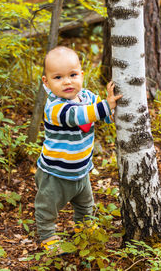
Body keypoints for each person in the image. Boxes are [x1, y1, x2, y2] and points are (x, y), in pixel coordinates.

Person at [34, 46, 122, 251]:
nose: (67, 81)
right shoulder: (55, 107)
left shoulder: (87, 97)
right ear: (46, 82)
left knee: (85, 205)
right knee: (47, 207)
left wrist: (111, 112)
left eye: (73, 75)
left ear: (81, 75)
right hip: (54, 173)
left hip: (81, 171)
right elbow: (78, 116)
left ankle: (84, 227)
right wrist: (105, 107)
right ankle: (47, 235)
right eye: (58, 77)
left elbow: (102, 115)